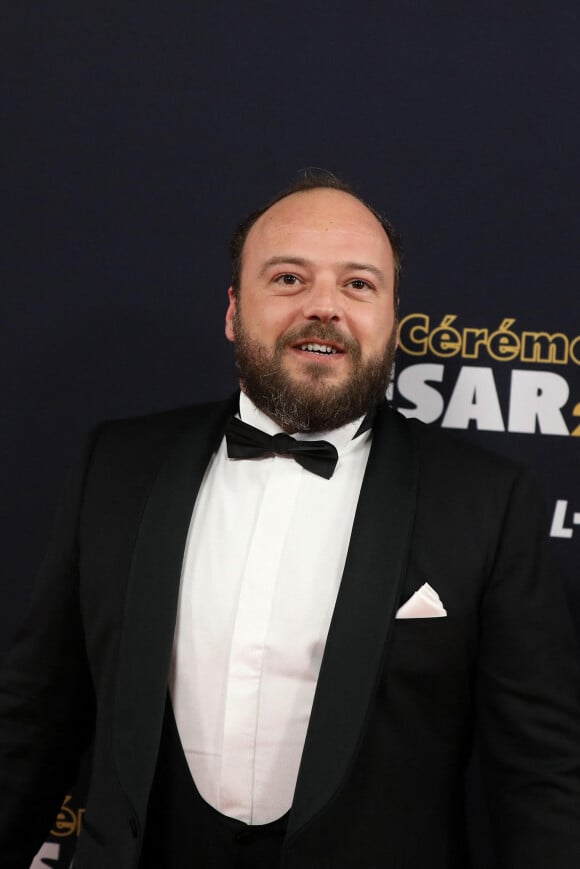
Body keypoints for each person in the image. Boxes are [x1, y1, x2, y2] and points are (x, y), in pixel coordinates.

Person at [1, 171, 580, 869]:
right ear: (232, 310)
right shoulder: (117, 467)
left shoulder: (486, 501)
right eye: (288, 278)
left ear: (394, 322)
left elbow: (541, 780)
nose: (324, 307)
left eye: (358, 284)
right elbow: (32, 724)